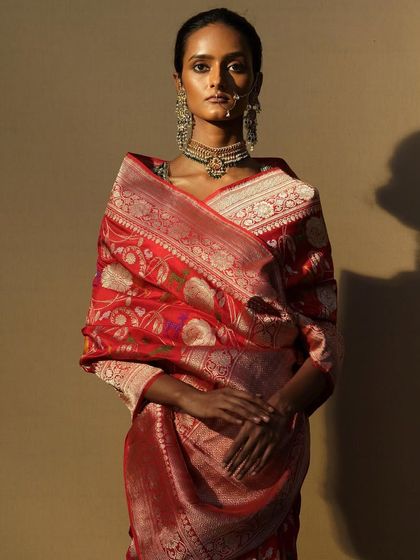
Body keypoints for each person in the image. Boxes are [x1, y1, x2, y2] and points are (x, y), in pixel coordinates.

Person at [79, 8, 342, 560]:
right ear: (179, 81)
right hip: (172, 445)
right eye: (201, 66)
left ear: (256, 81)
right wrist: (194, 401)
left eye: (235, 66)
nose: (218, 80)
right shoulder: (138, 196)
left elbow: (324, 339)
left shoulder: (290, 198)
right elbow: (107, 336)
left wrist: (280, 413)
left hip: (261, 446)